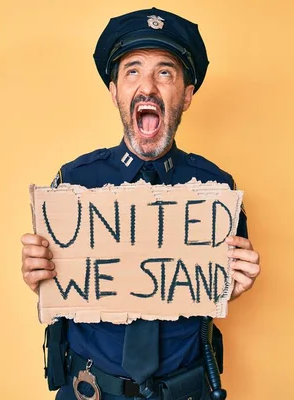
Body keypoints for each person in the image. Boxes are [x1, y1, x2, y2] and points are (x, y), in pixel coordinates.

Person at [20, 7, 261, 400]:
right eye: (132, 71)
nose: (147, 86)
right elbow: (63, 283)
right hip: (90, 391)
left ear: (185, 95)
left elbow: (218, 281)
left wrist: (231, 286)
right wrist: (40, 276)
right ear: (116, 92)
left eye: (164, 72)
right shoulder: (73, 184)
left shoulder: (217, 190)